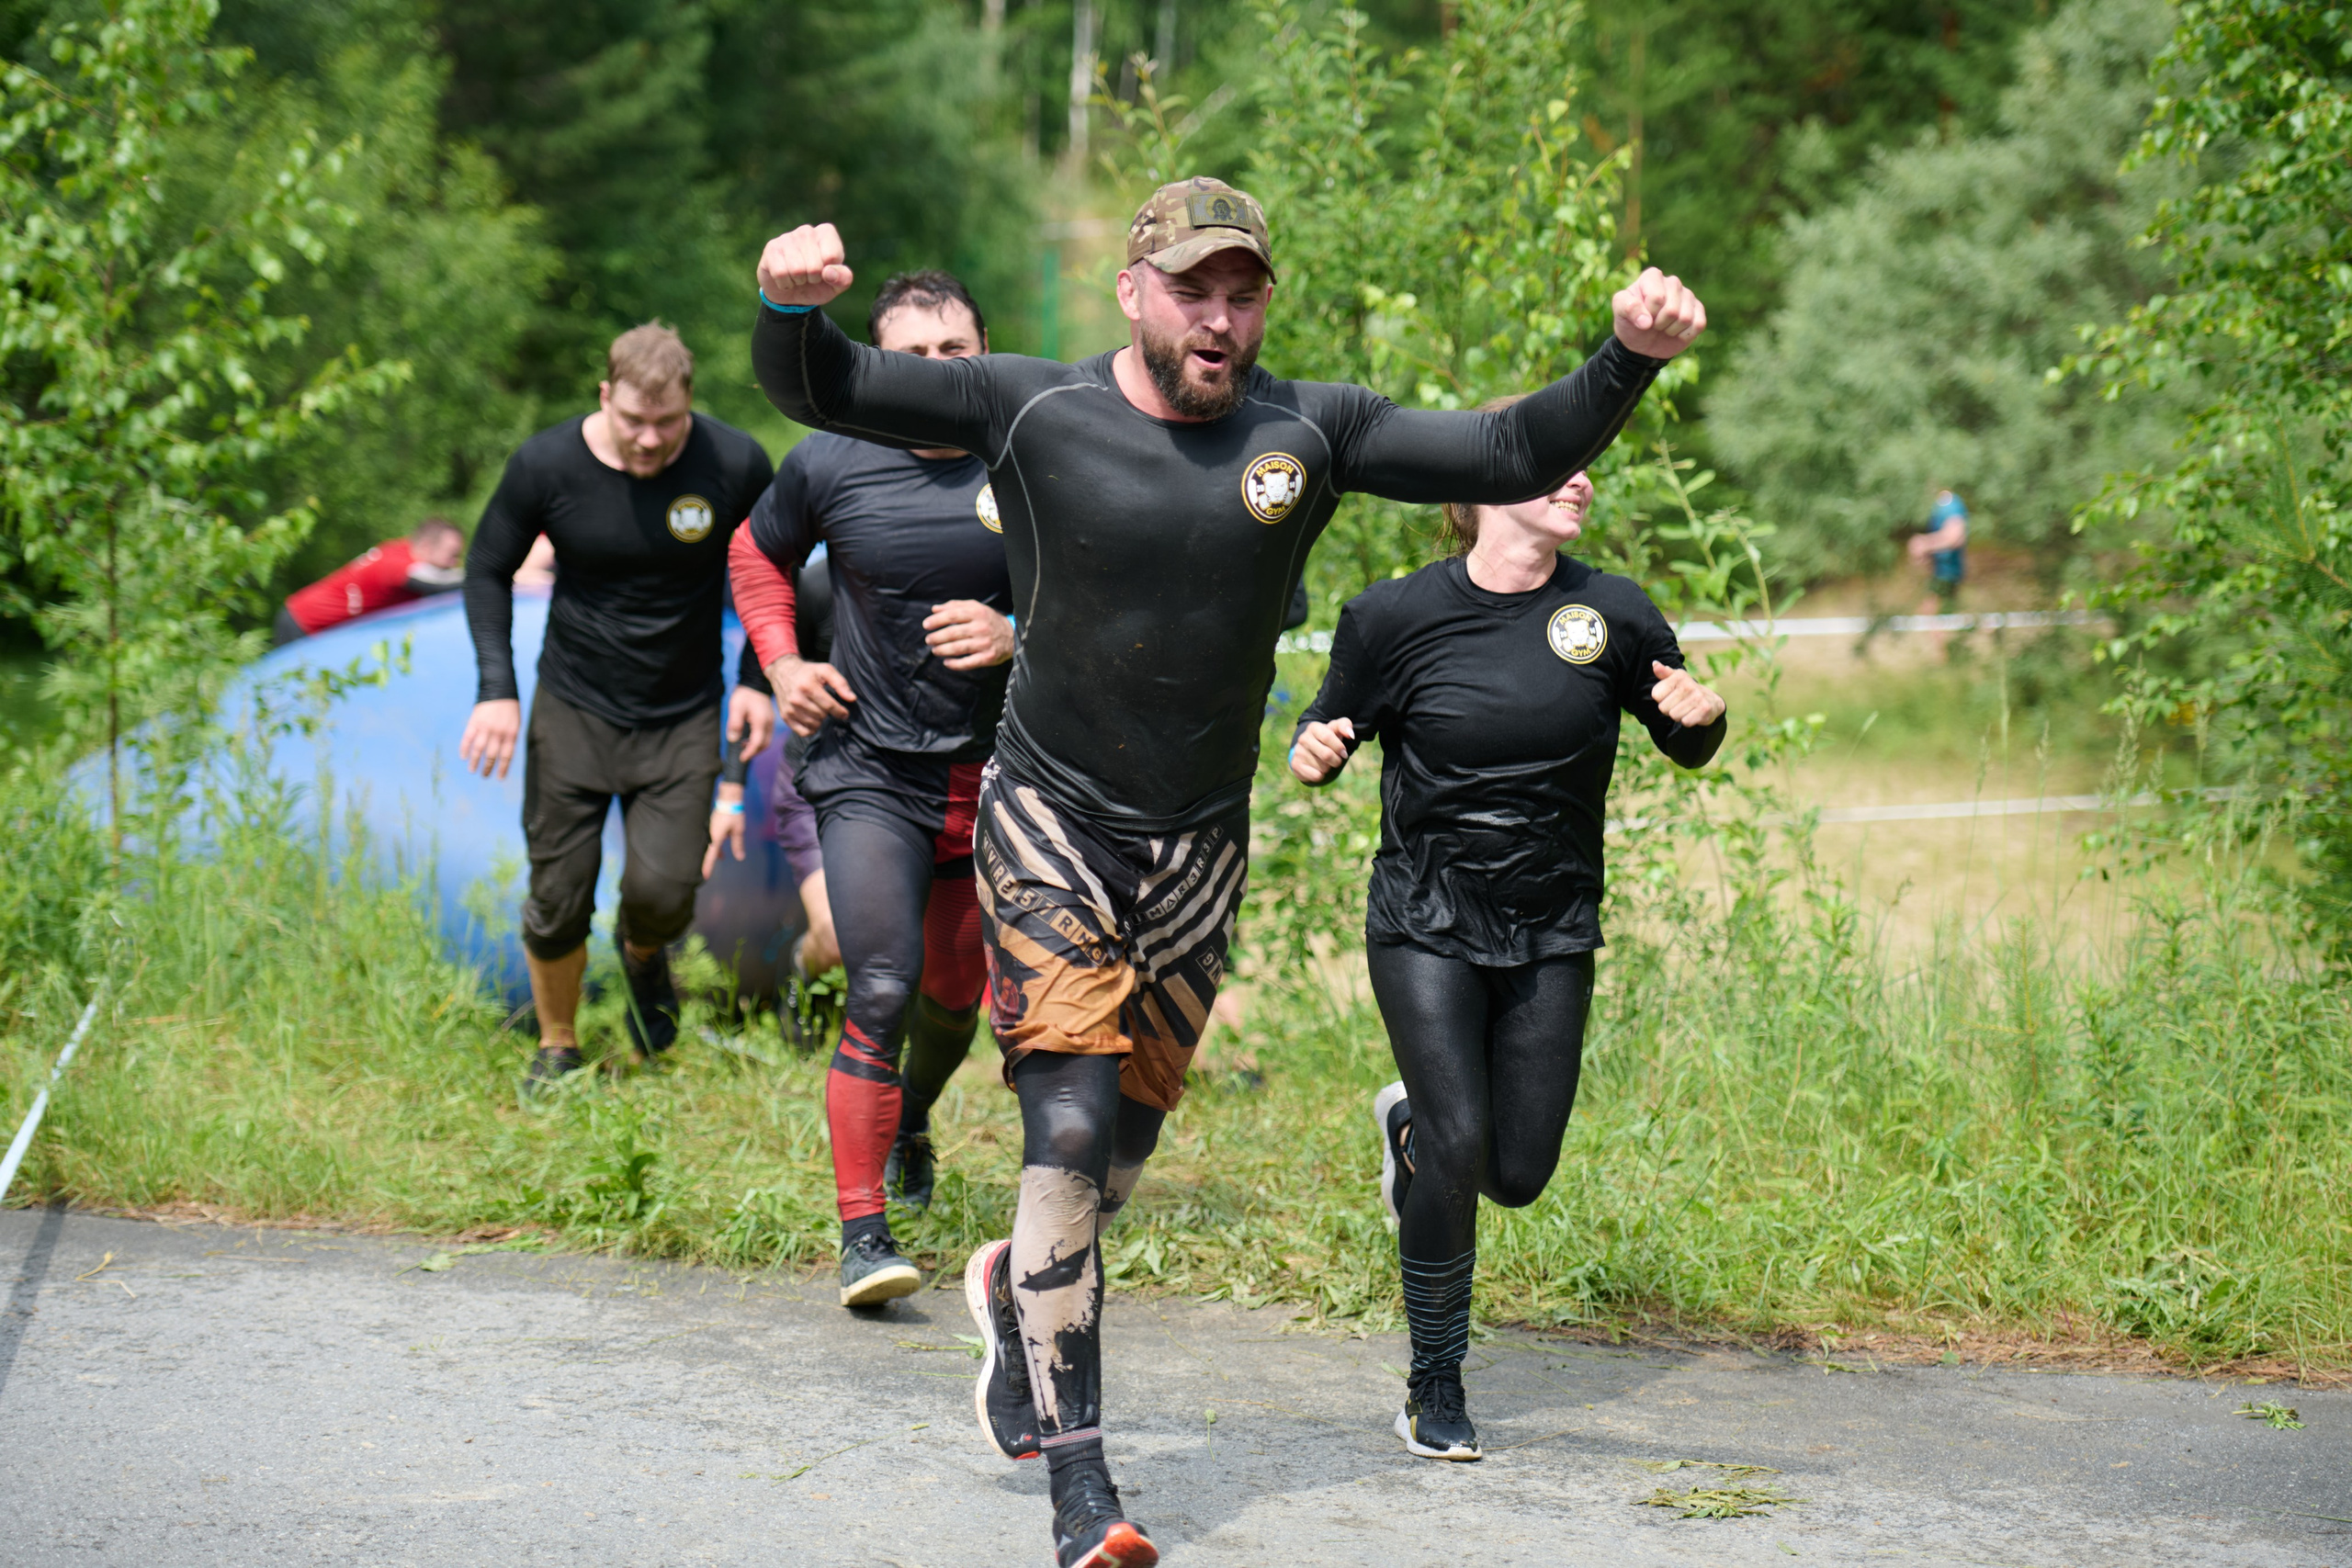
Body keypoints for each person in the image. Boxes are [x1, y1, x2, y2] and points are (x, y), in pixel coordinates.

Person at [751, 178, 1705, 1568]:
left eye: (1242, 289)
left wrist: (1630, 354)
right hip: (1051, 816)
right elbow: (824, 385)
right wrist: (789, 304)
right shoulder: (1029, 405)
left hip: (1198, 839)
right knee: (1065, 1132)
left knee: (1122, 1149)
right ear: (1134, 289)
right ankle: (1086, 1492)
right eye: (1191, 286)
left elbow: (1511, 440)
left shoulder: (1309, 430)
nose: (1218, 314)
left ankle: (1020, 1300)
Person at [1288, 446, 1727, 1463]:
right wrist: (1315, 747)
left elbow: (1684, 738)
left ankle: (1411, 1135)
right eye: (1555, 468)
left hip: (1551, 920)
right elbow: (1326, 728)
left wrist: (1706, 719)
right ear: (1478, 487)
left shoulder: (1612, 613)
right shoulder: (1390, 616)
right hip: (1424, 915)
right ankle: (1433, 1385)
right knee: (1457, 1141)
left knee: (1516, 1171)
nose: (1578, 482)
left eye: (1585, 471)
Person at [728, 270, 1015, 1309]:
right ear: (877, 367)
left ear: (986, 353)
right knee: (882, 981)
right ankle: (862, 1233)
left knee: (956, 993)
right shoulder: (831, 458)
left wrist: (1016, 633)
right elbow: (756, 555)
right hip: (869, 770)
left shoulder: (1038, 455)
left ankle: (918, 1117)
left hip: (998, 775)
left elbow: (1120, 594)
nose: (935, 374)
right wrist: (783, 663)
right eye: (910, 356)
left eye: (955, 352)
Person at [458, 322, 775, 1094]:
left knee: (662, 893)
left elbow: (777, 569)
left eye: (667, 422)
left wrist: (757, 679)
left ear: (688, 404)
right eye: (634, 420)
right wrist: (496, 689)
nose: (649, 438)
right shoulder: (548, 464)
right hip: (574, 708)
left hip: (683, 713)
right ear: (606, 396)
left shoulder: (732, 463)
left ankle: (643, 956)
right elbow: (487, 567)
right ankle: (558, 1046)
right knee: (558, 895)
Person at [708, 549, 840, 1014]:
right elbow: (751, 689)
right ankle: (802, 973)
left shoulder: (949, 578)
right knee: (836, 935)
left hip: (914, 785)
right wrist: (731, 795)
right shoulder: (816, 586)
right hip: (815, 783)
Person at [274, 517, 466, 644]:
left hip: (309, 624)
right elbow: (439, 584)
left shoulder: (400, 550)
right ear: (425, 546)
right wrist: (486, 574)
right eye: (452, 555)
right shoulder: (396, 564)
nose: (455, 563)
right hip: (302, 624)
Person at [1909, 487, 1968, 612]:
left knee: (1935, 616)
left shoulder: (1951, 504)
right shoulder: (1941, 504)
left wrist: (1925, 544)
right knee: (1934, 618)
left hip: (1947, 574)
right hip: (1938, 573)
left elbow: (1955, 538)